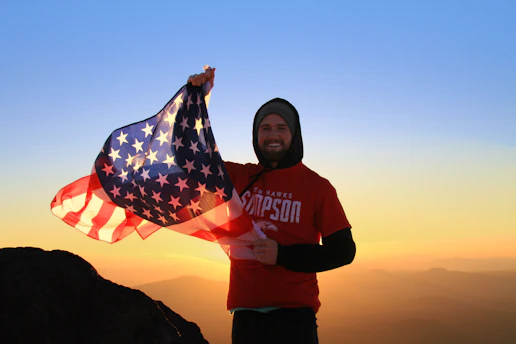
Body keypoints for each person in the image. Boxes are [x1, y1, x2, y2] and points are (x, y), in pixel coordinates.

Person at [188, 68, 356, 344]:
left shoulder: (318, 188)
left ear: (294, 135)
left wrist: (283, 255)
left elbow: (343, 251)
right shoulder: (239, 177)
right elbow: (192, 159)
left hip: (294, 319)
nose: (272, 135)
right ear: (256, 135)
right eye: (265, 128)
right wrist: (198, 98)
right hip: (245, 315)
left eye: (281, 128)